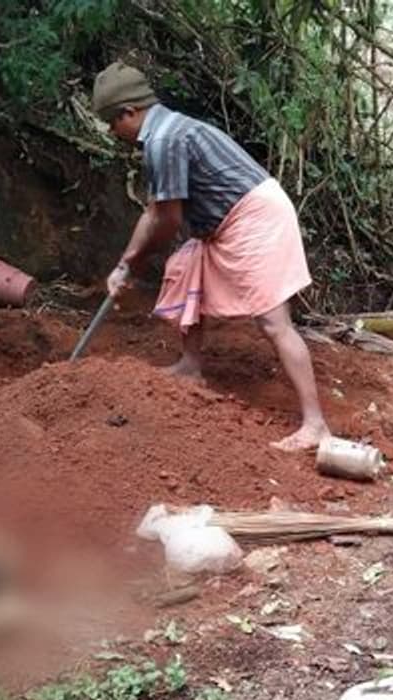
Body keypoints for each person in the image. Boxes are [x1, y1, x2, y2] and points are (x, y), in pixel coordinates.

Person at [91, 61, 331, 452]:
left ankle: (316, 424)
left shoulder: (164, 140)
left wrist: (130, 266)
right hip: (227, 221)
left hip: (254, 217)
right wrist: (124, 264)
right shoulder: (166, 131)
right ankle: (190, 366)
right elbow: (154, 211)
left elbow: (166, 220)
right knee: (186, 267)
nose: (111, 133)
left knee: (274, 322)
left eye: (111, 123)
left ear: (129, 113)